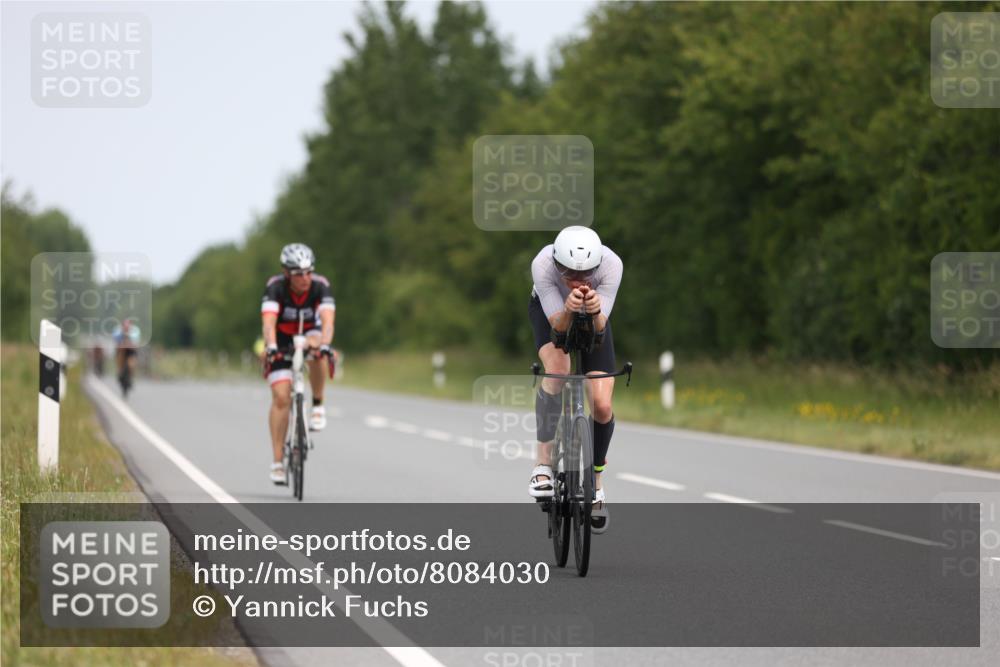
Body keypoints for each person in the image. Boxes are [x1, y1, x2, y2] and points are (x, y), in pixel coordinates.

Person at [527, 226, 623, 534]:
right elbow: (558, 329)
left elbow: (599, 330)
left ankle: (596, 484)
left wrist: (594, 312)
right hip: (551, 314)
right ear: (556, 264)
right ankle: (542, 465)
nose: (577, 281)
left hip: (594, 319)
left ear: (597, 266)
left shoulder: (612, 265)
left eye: (585, 275)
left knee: (602, 404)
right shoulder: (542, 264)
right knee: (559, 370)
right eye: (567, 273)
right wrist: (568, 309)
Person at [261, 243, 336, 484]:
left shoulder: (320, 286)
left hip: (311, 332)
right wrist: (271, 347)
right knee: (281, 398)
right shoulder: (275, 288)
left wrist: (325, 342)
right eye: (298, 274)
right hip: (282, 339)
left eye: (308, 272)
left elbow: (327, 322)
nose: (305, 278)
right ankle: (277, 462)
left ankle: (317, 405)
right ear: (286, 273)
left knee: (319, 348)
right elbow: (269, 324)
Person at [112, 319, 141, 390]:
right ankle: (119, 372)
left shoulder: (135, 331)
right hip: (121, 351)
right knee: (119, 359)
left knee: (132, 364)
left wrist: (130, 345)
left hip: (131, 351)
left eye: (127, 328)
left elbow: (136, 344)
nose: (126, 329)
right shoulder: (117, 331)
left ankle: (131, 377)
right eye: (124, 328)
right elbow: (116, 343)